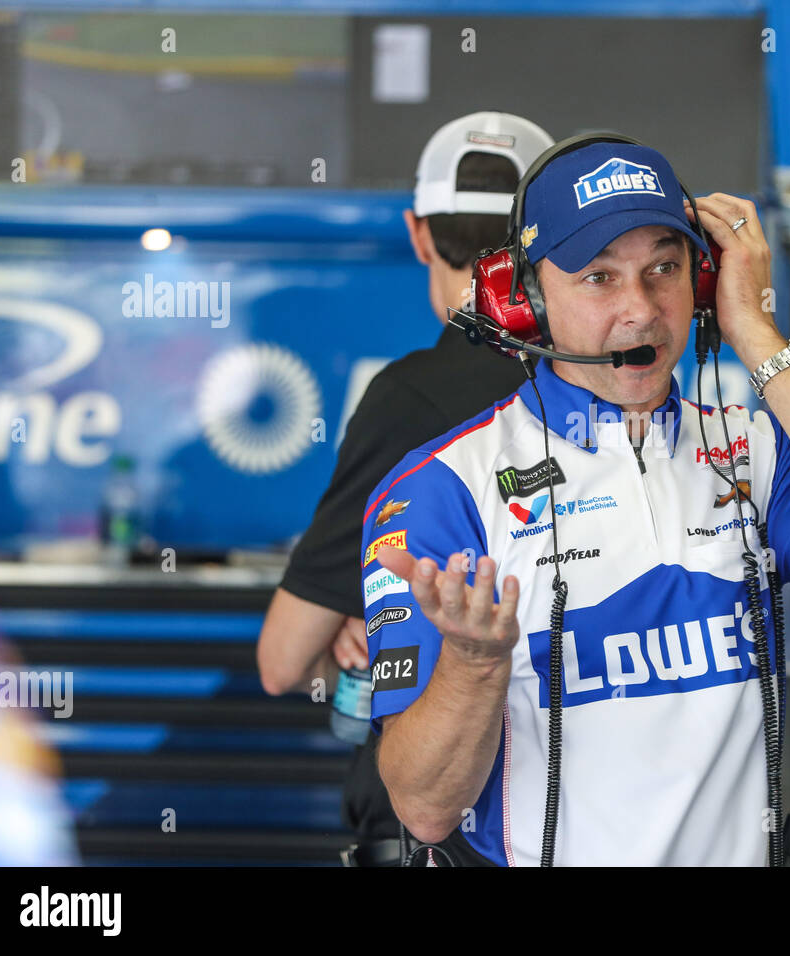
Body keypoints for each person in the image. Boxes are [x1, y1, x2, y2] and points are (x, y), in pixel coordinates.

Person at [362, 136, 790, 866]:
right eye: (598, 277)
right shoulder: (442, 488)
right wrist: (475, 664)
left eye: (664, 269)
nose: (640, 309)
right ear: (527, 301)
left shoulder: (752, 450)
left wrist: (756, 333)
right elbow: (423, 807)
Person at [256, 111, 553, 866]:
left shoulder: (408, 398)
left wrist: (354, 641)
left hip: (444, 831)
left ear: (418, 233)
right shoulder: (604, 388)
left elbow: (283, 662)